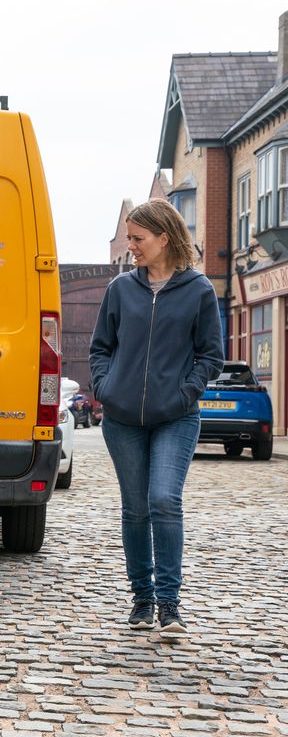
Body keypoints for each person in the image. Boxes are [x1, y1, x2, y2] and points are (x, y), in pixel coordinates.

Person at [89, 198, 223, 637]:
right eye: (129, 238)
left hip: (175, 417)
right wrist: (106, 387)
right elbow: (101, 348)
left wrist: (186, 391)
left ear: (164, 238)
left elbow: (210, 355)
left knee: (164, 500)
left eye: (138, 238)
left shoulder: (199, 290)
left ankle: (170, 604)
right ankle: (142, 600)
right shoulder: (121, 289)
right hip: (123, 418)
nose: (132, 247)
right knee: (135, 509)